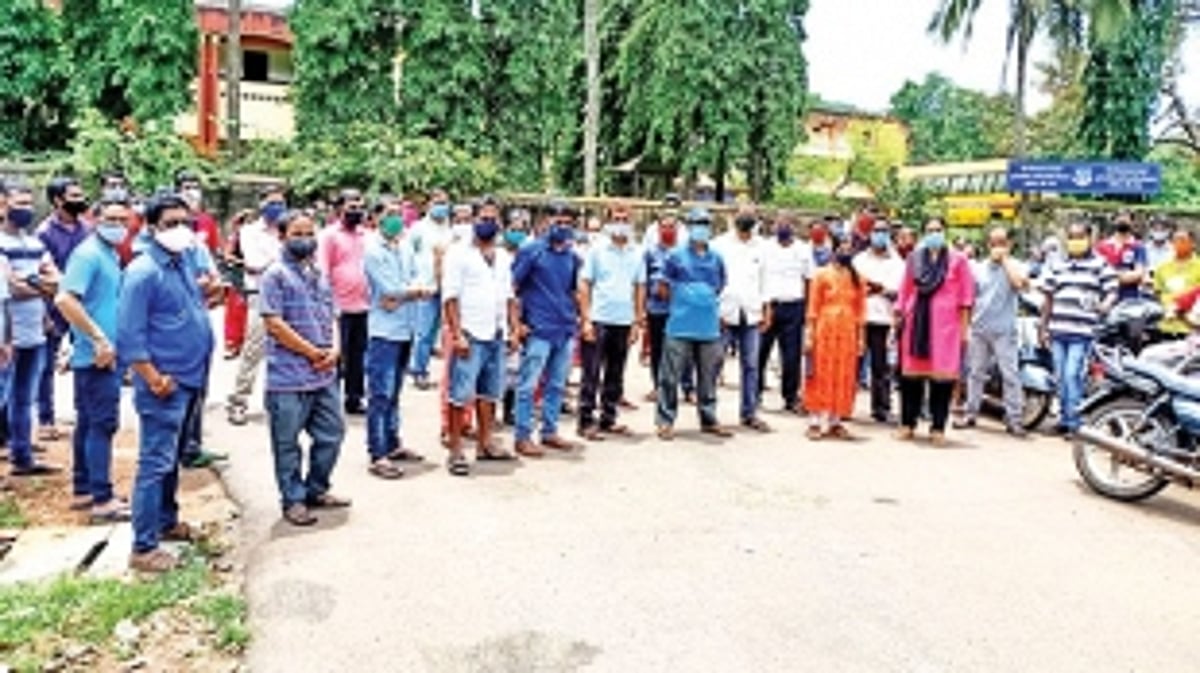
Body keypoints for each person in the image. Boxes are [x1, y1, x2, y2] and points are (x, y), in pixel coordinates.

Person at [118, 193, 215, 572]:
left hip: (190, 376)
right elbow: (129, 334)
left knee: (172, 458)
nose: (180, 230)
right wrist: (151, 376)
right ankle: (143, 547)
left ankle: (166, 521)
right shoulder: (144, 272)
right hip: (164, 383)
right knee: (155, 462)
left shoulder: (180, 263)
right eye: (170, 223)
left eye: (185, 223)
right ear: (151, 227)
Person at [259, 210, 350, 526]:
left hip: (323, 374)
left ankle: (316, 488)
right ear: (281, 236)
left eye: (309, 233)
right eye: (297, 233)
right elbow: (273, 323)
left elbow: (332, 315)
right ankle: (293, 500)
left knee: (332, 433)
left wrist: (335, 348)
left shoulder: (318, 274)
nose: (305, 239)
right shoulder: (274, 276)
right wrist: (311, 352)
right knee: (287, 444)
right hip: (288, 376)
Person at [55, 190, 130, 523]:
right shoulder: (88, 255)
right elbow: (65, 300)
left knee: (88, 421)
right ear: (94, 219)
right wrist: (98, 338)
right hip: (98, 355)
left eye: (122, 220)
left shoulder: (109, 254)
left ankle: (85, 487)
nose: (117, 225)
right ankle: (102, 498)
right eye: (110, 219)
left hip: (99, 352)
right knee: (102, 423)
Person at [441, 198, 517, 475]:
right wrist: (457, 334)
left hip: (496, 333)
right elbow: (450, 297)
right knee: (460, 394)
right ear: (472, 220)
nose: (488, 223)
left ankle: (486, 443)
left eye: (493, 218)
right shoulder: (458, 253)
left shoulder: (504, 257)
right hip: (470, 334)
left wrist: (513, 329)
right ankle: (456, 449)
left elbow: (509, 297)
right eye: (482, 218)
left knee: (490, 392)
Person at [512, 200, 585, 456]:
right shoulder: (531, 251)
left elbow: (575, 290)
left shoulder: (572, 256)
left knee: (556, 384)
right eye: (558, 221)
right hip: (538, 328)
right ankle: (522, 435)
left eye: (568, 222)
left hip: (564, 329)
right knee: (528, 384)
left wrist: (581, 320)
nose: (563, 226)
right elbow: (513, 287)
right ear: (546, 222)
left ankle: (549, 431)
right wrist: (517, 323)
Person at [894, 218, 976, 446]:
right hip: (915, 325)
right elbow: (904, 291)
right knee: (910, 379)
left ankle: (938, 427)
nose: (934, 234)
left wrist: (964, 329)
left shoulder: (958, 261)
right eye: (929, 230)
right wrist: (898, 318)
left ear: (945, 232)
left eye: (938, 230)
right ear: (923, 234)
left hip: (946, 329)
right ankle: (907, 424)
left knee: (942, 381)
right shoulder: (914, 259)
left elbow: (966, 298)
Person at [654, 208, 732, 440]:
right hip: (679, 325)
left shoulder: (716, 258)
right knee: (670, 376)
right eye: (696, 223)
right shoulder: (675, 256)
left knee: (708, 376)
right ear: (688, 227)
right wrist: (683, 302)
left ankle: (708, 418)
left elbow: (720, 286)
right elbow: (663, 287)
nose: (701, 227)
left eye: (705, 223)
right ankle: (665, 421)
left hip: (708, 327)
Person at [363, 202, 428, 479]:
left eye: (398, 215)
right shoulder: (372, 250)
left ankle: (392, 442)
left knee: (395, 392)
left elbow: (422, 277)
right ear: (376, 218)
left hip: (406, 327)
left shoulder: (405, 246)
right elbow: (387, 288)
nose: (395, 220)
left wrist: (404, 294)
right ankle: (378, 453)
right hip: (384, 331)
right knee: (380, 393)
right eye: (389, 215)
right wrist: (413, 292)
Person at [2, 181, 61, 476]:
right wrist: (40, 285)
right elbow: (10, 288)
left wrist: (32, 285)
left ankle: (21, 455)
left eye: (28, 203)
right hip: (6, 333)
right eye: (18, 203)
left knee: (24, 397)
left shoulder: (35, 243)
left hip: (34, 329)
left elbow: (56, 279)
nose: (25, 208)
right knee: (6, 393)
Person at [1038, 221, 1118, 438]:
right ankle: (1065, 419)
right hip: (1058, 329)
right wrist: (1043, 326)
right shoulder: (1057, 264)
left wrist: (1104, 306)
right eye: (1072, 237)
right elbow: (1048, 297)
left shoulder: (1099, 264)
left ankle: (1076, 423)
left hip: (1082, 332)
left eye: (1080, 237)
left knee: (1073, 375)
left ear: (1090, 238)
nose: (1075, 241)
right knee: (1061, 376)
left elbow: (1112, 289)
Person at [577, 204, 645, 441]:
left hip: (624, 321)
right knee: (591, 372)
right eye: (616, 218)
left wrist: (637, 321)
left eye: (624, 218)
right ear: (608, 222)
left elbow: (639, 287)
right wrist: (585, 319)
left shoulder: (636, 253)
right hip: (598, 319)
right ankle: (585, 420)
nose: (620, 222)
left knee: (616, 373)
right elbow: (585, 284)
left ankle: (609, 417)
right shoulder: (597, 251)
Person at [955, 227, 1030, 436]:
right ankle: (971, 414)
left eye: (1002, 242)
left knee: (1010, 375)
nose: (998, 247)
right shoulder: (978, 269)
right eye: (994, 243)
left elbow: (1020, 284)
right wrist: (967, 327)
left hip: (1004, 331)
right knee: (975, 373)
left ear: (1009, 245)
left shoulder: (1017, 266)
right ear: (988, 245)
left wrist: (1005, 261)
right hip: (980, 328)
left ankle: (1014, 419)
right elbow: (970, 299)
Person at [37, 176, 90, 444]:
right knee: (46, 365)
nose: (81, 200)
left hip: (83, 304)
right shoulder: (44, 233)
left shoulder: (86, 229)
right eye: (74, 196)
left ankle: (85, 415)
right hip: (53, 306)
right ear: (58, 201)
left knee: (85, 358)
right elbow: (41, 275)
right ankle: (45, 419)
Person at [226, 187, 286, 425]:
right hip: (260, 295)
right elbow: (254, 263)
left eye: (281, 203)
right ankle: (238, 401)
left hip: (287, 297)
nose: (277, 207)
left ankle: (278, 403)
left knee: (284, 353)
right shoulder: (249, 232)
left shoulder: (288, 229)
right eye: (272, 202)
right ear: (261, 204)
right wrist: (282, 263)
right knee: (253, 351)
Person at [713, 206, 772, 432]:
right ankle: (710, 414)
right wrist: (715, 311)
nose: (746, 218)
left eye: (751, 214)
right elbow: (713, 278)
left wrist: (767, 309)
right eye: (742, 213)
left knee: (751, 365)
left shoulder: (762, 247)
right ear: (733, 217)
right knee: (715, 363)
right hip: (725, 313)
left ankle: (749, 412)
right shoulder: (719, 245)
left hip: (751, 312)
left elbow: (765, 281)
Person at [804, 232, 866, 439]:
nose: (845, 253)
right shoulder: (821, 275)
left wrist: (861, 338)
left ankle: (835, 420)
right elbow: (812, 307)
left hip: (847, 330)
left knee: (843, 374)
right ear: (834, 250)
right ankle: (814, 420)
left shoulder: (858, 278)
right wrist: (810, 334)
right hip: (825, 329)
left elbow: (861, 311)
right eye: (842, 249)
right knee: (820, 372)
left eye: (849, 250)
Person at [317, 189, 370, 415]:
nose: (356, 211)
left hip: (363, 305)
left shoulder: (366, 235)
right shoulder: (329, 236)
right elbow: (323, 271)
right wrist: (329, 304)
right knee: (337, 354)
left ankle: (354, 398)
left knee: (358, 355)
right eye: (351, 207)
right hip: (339, 306)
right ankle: (330, 400)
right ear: (339, 209)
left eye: (359, 206)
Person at [759, 212, 812, 413]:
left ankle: (791, 397)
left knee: (791, 356)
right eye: (779, 223)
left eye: (787, 223)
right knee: (760, 352)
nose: (783, 227)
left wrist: (807, 309)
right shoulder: (765, 248)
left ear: (794, 227)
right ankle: (755, 394)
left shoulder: (803, 250)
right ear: (773, 226)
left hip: (794, 306)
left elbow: (809, 279)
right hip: (769, 306)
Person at [853, 219, 904, 423]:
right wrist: (873, 290)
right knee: (852, 364)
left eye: (883, 231)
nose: (879, 234)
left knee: (880, 368)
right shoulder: (859, 260)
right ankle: (844, 405)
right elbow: (854, 288)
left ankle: (881, 407)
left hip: (883, 320)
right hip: (860, 319)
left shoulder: (898, 263)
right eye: (876, 231)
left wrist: (880, 289)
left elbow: (899, 292)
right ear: (870, 233)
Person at [643, 208, 695, 403]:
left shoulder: (685, 252)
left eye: (671, 227)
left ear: (678, 229)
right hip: (656, 308)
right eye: (664, 227)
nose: (668, 230)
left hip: (680, 309)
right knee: (658, 349)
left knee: (685, 350)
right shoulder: (650, 252)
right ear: (658, 229)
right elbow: (644, 279)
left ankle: (688, 388)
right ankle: (658, 387)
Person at [406, 189, 453, 390]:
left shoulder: (451, 230)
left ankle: (447, 376)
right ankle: (419, 371)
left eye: (444, 202)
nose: (441, 206)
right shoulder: (418, 229)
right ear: (428, 205)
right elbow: (409, 255)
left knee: (442, 332)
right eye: (437, 202)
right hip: (425, 286)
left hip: (448, 286)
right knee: (424, 332)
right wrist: (414, 282)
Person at [1152, 229, 1200, 337]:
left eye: (1183, 240)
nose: (1178, 244)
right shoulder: (1162, 267)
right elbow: (1157, 293)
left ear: (1192, 243)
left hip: (1191, 327)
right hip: (1166, 325)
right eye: (1175, 241)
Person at [1095, 211, 1147, 303]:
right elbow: (1095, 273)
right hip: (1104, 297)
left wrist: (1110, 277)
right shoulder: (1102, 246)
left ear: (1132, 222)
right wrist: (1124, 275)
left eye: (1126, 218)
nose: (1123, 221)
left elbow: (1139, 274)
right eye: (1120, 218)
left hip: (1129, 298)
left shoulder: (1138, 246)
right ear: (1114, 221)